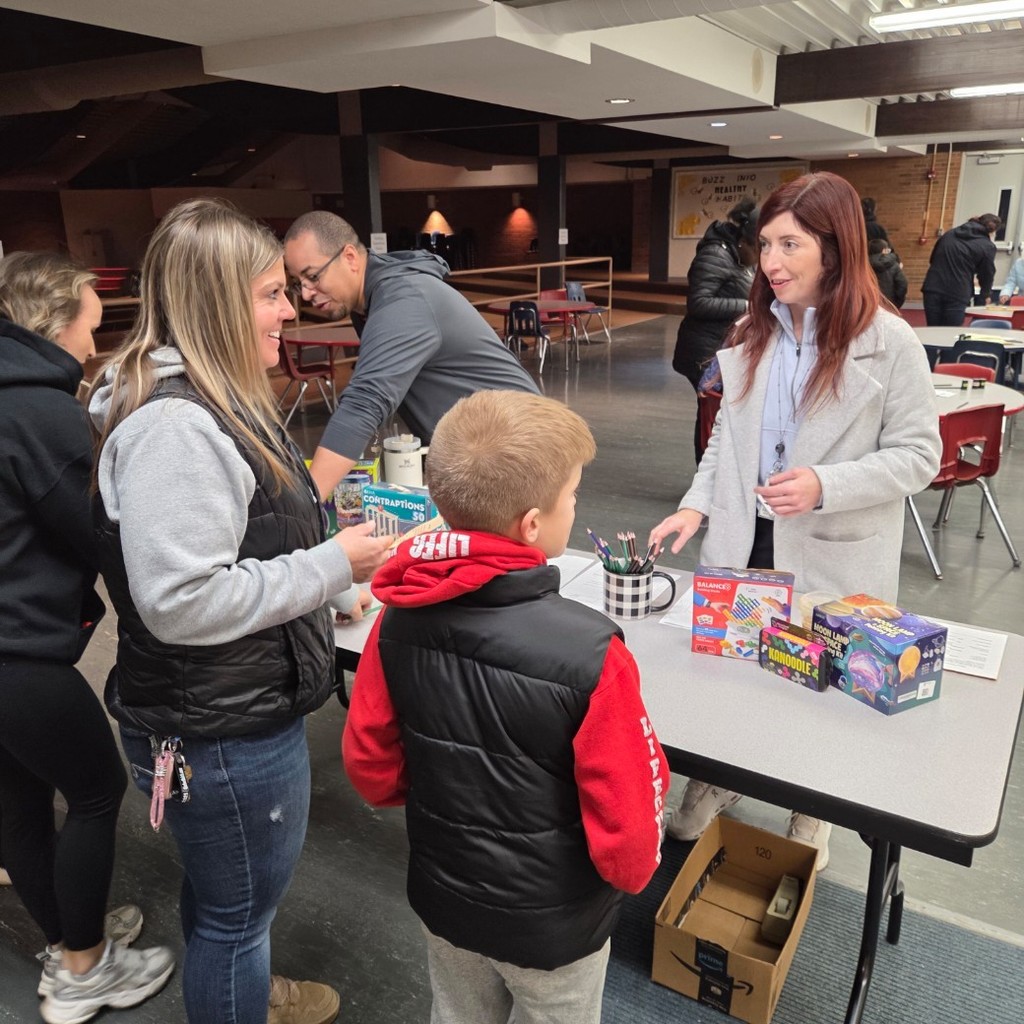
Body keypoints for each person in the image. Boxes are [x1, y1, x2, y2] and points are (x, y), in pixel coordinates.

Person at [88, 199, 393, 1024]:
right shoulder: (176, 430)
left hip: (226, 706)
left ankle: (244, 989)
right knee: (237, 918)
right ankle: (241, 993)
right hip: (218, 732)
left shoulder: (218, 399)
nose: (288, 310)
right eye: (269, 294)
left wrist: (330, 588)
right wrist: (332, 565)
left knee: (229, 902)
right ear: (217, 304)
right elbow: (181, 602)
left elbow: (259, 533)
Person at [343, 389, 668, 1024]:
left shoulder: (396, 619)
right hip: (554, 924)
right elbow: (629, 840)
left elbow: (371, 770)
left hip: (444, 895)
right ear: (532, 525)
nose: (576, 506)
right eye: (573, 495)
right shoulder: (594, 654)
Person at [648, 171, 941, 870]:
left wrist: (824, 485)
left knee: (821, 684)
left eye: (790, 245)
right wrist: (695, 502)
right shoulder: (754, 330)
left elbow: (919, 456)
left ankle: (814, 806)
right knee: (735, 673)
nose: (770, 263)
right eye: (766, 245)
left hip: (831, 546)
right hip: (744, 540)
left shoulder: (890, 342)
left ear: (835, 249)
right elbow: (726, 436)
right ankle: (718, 777)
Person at [0, 251, 174, 1024]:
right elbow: (103, 536)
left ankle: (68, 940)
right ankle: (84, 971)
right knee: (97, 791)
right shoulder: (43, 413)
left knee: (19, 803)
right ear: (58, 324)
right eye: (92, 328)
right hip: (18, 653)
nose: (93, 347)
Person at [283, 212, 540, 499]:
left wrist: (306, 505)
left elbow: (365, 401)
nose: (305, 294)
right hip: (478, 453)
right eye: (298, 283)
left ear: (350, 258)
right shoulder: (371, 301)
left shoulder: (403, 298)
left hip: (518, 453)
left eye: (312, 276)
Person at [672, 197, 760, 464]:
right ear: (743, 241)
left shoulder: (739, 257)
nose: (760, 257)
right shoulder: (715, 254)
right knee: (711, 414)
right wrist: (747, 306)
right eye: (758, 249)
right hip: (702, 351)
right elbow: (698, 302)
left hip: (722, 347)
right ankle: (707, 471)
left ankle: (712, 469)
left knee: (716, 415)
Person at [922, 213, 1001, 326]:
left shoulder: (949, 234)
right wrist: (985, 294)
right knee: (952, 331)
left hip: (933, 287)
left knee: (932, 328)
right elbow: (987, 274)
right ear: (993, 231)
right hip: (958, 291)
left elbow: (933, 258)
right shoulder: (987, 246)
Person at [868, 238, 908, 308]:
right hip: (889, 302)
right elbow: (902, 285)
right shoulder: (894, 265)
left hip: (868, 302)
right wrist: (897, 303)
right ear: (884, 250)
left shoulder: (862, 264)